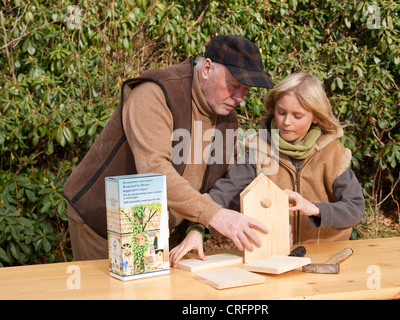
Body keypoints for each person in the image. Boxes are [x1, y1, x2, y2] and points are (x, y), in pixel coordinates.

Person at [63, 35, 273, 261]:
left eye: (246, 90)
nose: (240, 97)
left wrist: (272, 214)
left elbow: (227, 183)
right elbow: (154, 170)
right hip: (103, 224)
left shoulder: (228, 119)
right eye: (233, 86)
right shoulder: (156, 92)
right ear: (207, 68)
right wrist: (213, 215)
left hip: (160, 232)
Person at [170, 72, 365, 267]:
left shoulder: (334, 153)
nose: (286, 122)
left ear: (315, 117)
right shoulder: (258, 151)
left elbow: (355, 209)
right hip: (270, 258)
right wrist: (197, 229)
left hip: (326, 257)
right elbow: (224, 193)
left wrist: (314, 208)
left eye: (297, 116)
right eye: (281, 112)